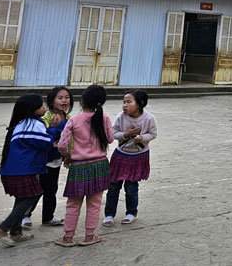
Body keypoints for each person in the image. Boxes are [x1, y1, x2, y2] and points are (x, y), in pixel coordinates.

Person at [56, 84, 114, 247]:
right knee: (94, 203)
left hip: (79, 165)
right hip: (100, 165)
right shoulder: (104, 118)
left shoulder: (74, 120)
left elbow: (62, 145)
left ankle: (68, 238)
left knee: (73, 203)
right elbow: (110, 139)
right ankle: (89, 236)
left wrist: (68, 155)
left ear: (82, 102)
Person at [0, 95, 53, 246]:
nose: (44, 107)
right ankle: (2, 228)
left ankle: (16, 232)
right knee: (33, 196)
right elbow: (45, 143)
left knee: (21, 199)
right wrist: (55, 129)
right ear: (33, 109)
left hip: (14, 171)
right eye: (41, 105)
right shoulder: (33, 124)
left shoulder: (22, 123)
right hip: (22, 171)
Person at [103, 90, 157, 227]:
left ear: (140, 103)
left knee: (131, 186)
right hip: (121, 155)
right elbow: (113, 133)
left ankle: (132, 213)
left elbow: (153, 133)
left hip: (139, 156)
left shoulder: (149, 118)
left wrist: (143, 138)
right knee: (113, 186)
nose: (125, 105)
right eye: (124, 102)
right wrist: (126, 134)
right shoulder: (121, 117)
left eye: (129, 102)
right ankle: (109, 214)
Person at [23, 86, 72, 229]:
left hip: (56, 160)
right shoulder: (45, 117)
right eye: (60, 98)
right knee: (37, 189)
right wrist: (51, 127)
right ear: (51, 100)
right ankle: (25, 215)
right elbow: (42, 139)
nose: (64, 101)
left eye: (67, 97)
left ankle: (48, 217)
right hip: (42, 161)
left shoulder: (69, 118)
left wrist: (68, 155)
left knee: (51, 189)